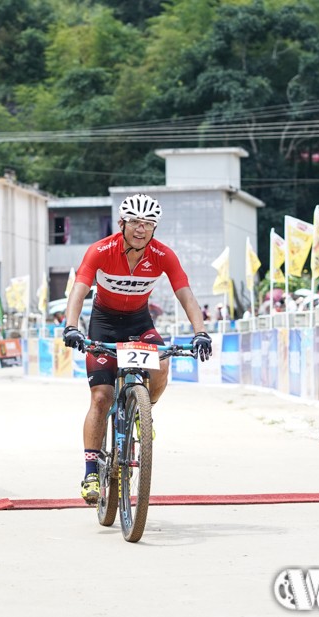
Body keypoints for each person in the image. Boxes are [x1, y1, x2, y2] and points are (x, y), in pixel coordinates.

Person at [62, 194, 212, 504]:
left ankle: (144, 413)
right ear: (122, 224)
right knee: (101, 397)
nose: (140, 229)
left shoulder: (162, 255)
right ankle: (91, 470)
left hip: (139, 323)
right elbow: (79, 290)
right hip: (103, 324)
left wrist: (201, 332)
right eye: (134, 222)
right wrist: (71, 326)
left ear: (154, 228)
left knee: (162, 363)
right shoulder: (101, 251)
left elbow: (186, 294)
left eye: (147, 224)